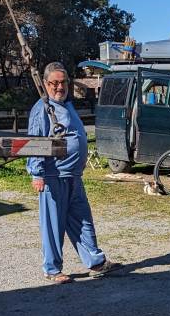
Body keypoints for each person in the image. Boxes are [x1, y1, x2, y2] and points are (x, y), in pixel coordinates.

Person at [28, 62, 117, 284]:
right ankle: (52, 269)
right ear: (46, 84)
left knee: (83, 220)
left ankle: (95, 262)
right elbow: (35, 142)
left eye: (63, 82)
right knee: (53, 225)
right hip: (53, 176)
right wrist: (36, 174)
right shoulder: (42, 108)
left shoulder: (66, 106)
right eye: (54, 83)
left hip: (73, 176)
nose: (60, 87)